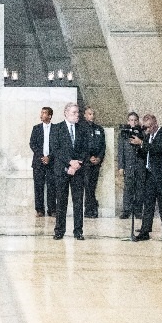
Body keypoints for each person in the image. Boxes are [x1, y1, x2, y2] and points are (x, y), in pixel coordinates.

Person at [131, 114, 162, 242]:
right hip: (149, 175)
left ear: (155, 123)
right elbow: (144, 154)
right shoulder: (147, 136)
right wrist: (137, 146)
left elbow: (158, 149)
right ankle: (145, 231)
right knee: (148, 204)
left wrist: (142, 143)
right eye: (145, 127)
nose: (147, 129)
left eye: (149, 127)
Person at [50, 103, 88, 241]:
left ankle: (78, 231)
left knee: (78, 202)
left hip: (78, 170)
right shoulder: (57, 128)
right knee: (61, 201)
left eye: (78, 112)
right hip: (62, 170)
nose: (77, 115)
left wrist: (77, 163)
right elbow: (55, 149)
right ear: (66, 113)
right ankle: (59, 230)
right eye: (74, 112)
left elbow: (86, 148)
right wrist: (69, 162)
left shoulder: (82, 129)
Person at [79, 106, 106, 218]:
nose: (92, 116)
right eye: (89, 114)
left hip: (96, 163)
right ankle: (91, 208)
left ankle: (91, 208)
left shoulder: (99, 129)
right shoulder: (80, 128)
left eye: (93, 114)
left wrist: (99, 158)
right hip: (86, 163)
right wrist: (88, 157)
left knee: (92, 186)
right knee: (87, 186)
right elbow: (80, 146)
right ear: (85, 115)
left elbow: (103, 146)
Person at [30, 107, 55, 218]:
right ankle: (39, 209)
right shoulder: (36, 128)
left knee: (52, 186)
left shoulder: (56, 129)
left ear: (49, 116)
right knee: (38, 186)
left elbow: (57, 145)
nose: (42, 114)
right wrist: (42, 156)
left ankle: (52, 209)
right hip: (38, 162)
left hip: (52, 162)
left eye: (44, 113)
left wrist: (49, 157)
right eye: (41, 112)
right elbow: (32, 144)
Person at [118, 111, 142, 221]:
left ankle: (138, 211)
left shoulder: (142, 133)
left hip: (140, 165)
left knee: (139, 189)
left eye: (135, 120)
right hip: (129, 165)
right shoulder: (123, 134)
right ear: (128, 121)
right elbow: (121, 151)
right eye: (131, 120)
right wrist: (121, 167)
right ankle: (126, 210)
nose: (133, 122)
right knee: (128, 189)